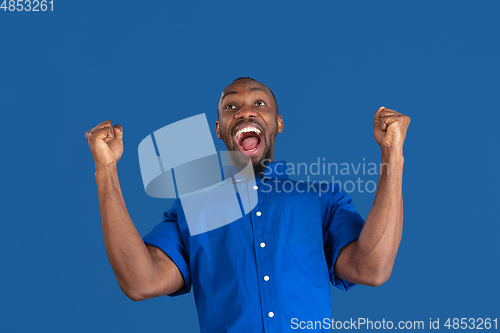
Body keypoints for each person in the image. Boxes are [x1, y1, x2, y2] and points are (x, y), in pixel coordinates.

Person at [84, 77, 411, 333]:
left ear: (278, 123)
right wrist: (106, 170)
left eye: (259, 102)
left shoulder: (320, 199)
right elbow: (140, 282)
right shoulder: (192, 209)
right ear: (219, 131)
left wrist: (392, 154)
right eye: (230, 107)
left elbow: (372, 268)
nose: (244, 111)